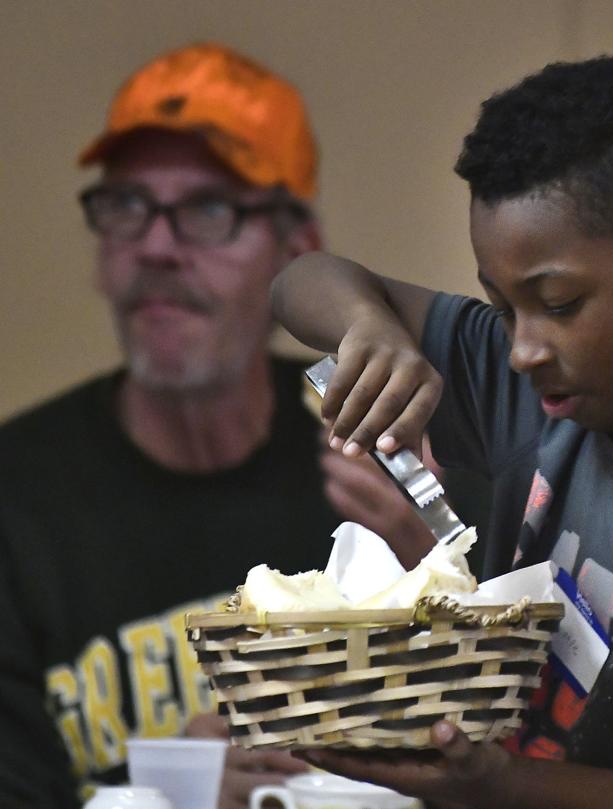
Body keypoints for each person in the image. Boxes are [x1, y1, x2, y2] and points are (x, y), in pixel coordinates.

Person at [270, 55, 613, 808]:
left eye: (560, 303)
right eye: (502, 309)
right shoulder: (541, 391)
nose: (520, 348)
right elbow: (299, 283)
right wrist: (369, 327)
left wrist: (503, 786)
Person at [0, 42, 443, 809]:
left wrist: (437, 563)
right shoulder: (16, 501)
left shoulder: (373, 453)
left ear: (295, 248)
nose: (157, 246)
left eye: (208, 208)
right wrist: (161, 789)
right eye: (127, 205)